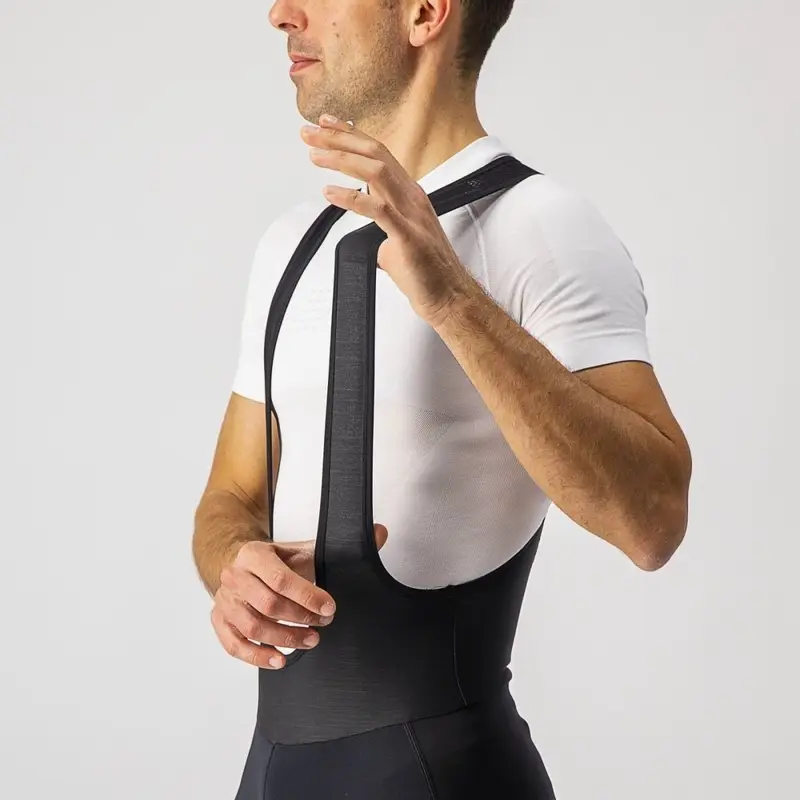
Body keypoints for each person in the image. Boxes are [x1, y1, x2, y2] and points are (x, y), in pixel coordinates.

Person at [192, 1, 693, 797]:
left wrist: (453, 300)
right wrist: (234, 566)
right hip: (271, 771)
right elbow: (232, 495)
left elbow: (654, 520)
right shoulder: (291, 243)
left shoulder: (542, 227)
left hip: (442, 773)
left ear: (425, 13)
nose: (281, 14)